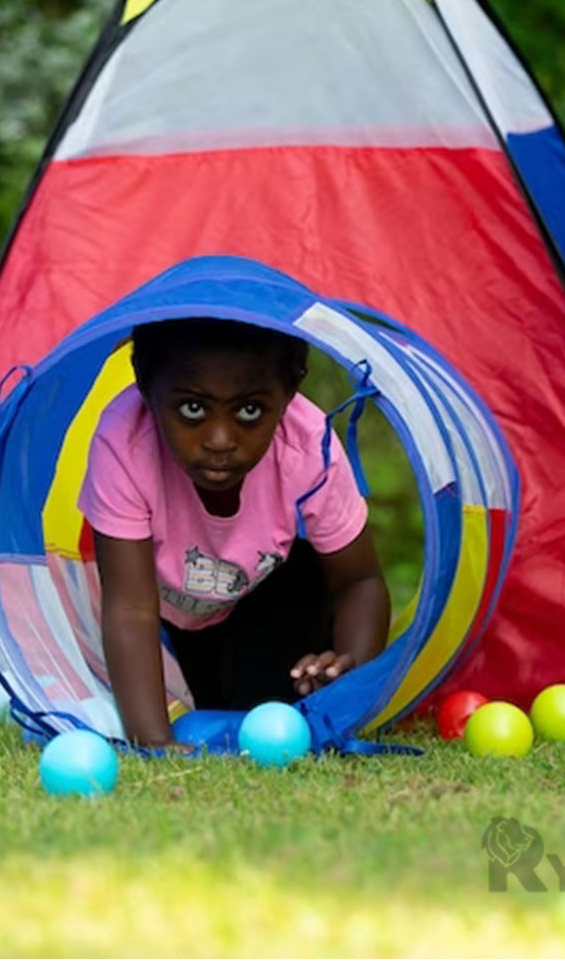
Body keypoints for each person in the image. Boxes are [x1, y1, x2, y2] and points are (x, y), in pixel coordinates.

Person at [78, 316, 390, 748]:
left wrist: (349, 683)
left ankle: (304, 692)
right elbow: (130, 608)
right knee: (186, 698)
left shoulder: (306, 444)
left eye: (249, 411)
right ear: (146, 387)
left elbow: (360, 581)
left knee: (296, 590)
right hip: (160, 625)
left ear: (290, 392)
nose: (220, 439)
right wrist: (154, 743)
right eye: (192, 408)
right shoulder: (125, 439)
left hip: (256, 607)